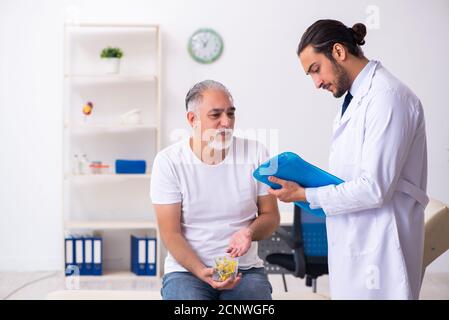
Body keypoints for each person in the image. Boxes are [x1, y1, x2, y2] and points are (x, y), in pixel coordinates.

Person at [268, 20, 428, 299]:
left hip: (383, 241)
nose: (316, 83)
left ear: (339, 51)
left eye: (315, 69)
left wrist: (306, 193)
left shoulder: (387, 97)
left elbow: (374, 188)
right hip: (357, 236)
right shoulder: (356, 100)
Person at [150, 80, 280, 300]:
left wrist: (249, 232)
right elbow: (170, 233)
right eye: (215, 115)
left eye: (231, 114)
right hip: (187, 272)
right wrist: (202, 271)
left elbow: (271, 217)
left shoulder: (256, 153)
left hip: (244, 271)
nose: (226, 122)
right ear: (193, 119)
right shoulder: (169, 161)